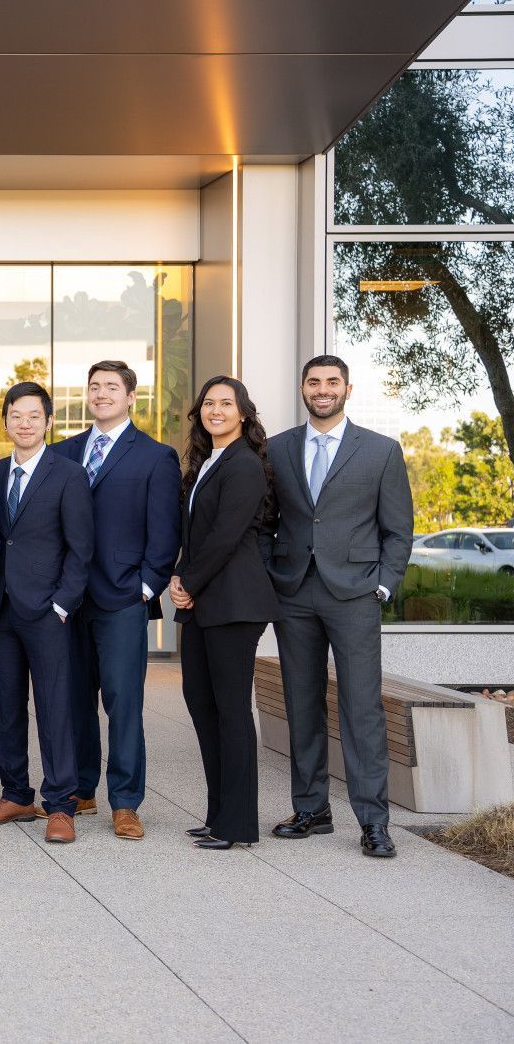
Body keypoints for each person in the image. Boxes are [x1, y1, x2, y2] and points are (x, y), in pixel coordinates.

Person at [264, 355, 413, 858]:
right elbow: (265, 521)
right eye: (314, 382)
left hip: (356, 594)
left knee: (361, 708)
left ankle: (374, 822)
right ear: (302, 388)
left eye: (332, 382)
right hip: (294, 592)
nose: (322, 389)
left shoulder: (381, 451)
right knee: (301, 702)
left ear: (348, 389)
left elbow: (398, 530)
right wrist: (270, 577)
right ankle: (311, 810)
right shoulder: (277, 449)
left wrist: (383, 586)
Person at [49, 360, 181, 840]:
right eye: (94, 386)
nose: (101, 393)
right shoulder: (62, 452)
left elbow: (165, 533)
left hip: (122, 596)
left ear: (130, 397)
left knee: (123, 702)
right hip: (68, 599)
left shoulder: (155, 456)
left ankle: (125, 802)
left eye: (111, 386)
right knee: (73, 699)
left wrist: (145, 587)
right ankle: (82, 788)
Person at [0, 382, 93, 843]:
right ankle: (16, 793)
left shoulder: (68, 474)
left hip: (47, 610)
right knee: (5, 705)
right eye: (16, 416)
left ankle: (60, 804)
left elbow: (81, 548)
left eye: (33, 416)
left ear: (48, 422)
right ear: (5, 421)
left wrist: (62, 603)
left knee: (54, 706)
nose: (24, 424)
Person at [170, 377, 281, 850]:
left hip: (234, 604)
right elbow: (196, 536)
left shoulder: (245, 465)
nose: (215, 410)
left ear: (243, 413)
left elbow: (226, 537)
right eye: (208, 403)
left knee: (231, 712)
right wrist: (180, 576)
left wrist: (188, 583)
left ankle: (237, 826)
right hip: (203, 603)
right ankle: (217, 815)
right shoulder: (206, 463)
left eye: (226, 403)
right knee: (202, 704)